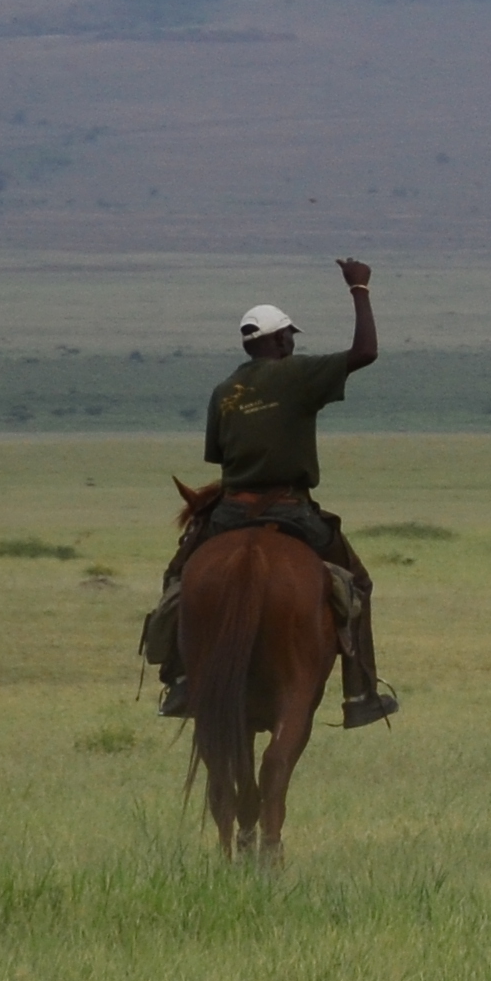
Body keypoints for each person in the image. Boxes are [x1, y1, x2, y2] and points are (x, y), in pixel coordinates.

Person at [143, 258, 398, 726]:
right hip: (291, 511)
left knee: (178, 580)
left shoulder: (224, 391)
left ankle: (178, 680)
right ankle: (361, 693)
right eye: (291, 336)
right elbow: (365, 352)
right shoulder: (298, 374)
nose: (293, 342)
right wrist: (359, 288)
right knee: (357, 584)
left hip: (228, 515)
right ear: (279, 340)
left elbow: (220, 459)